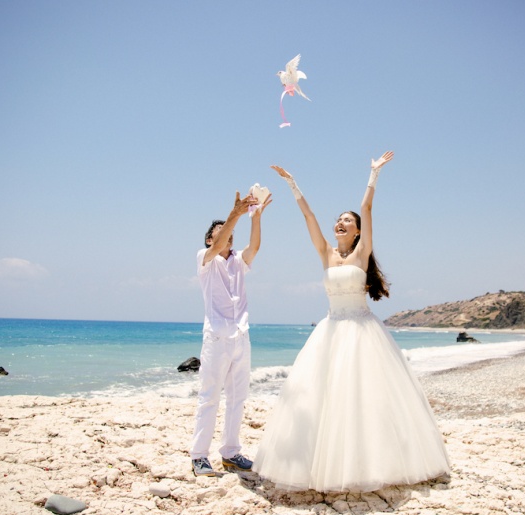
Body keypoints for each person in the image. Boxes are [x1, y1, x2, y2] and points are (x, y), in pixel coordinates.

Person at [254, 152, 450, 492]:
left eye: (348, 220)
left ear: (358, 231)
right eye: (339, 220)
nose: (341, 223)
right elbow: (309, 216)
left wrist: (373, 175)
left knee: (365, 399)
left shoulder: (361, 253)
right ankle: (317, 465)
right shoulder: (325, 253)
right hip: (330, 332)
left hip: (362, 332)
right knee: (324, 400)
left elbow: (369, 209)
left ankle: (376, 462)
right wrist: (292, 183)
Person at [190, 189, 271, 477]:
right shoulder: (205, 259)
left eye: (229, 232)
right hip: (216, 339)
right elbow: (221, 240)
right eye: (221, 232)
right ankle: (199, 456)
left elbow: (255, 247)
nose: (228, 236)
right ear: (210, 240)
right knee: (209, 397)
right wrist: (235, 213)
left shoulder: (238, 260)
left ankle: (231, 453)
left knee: (238, 398)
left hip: (241, 338)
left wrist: (256, 217)